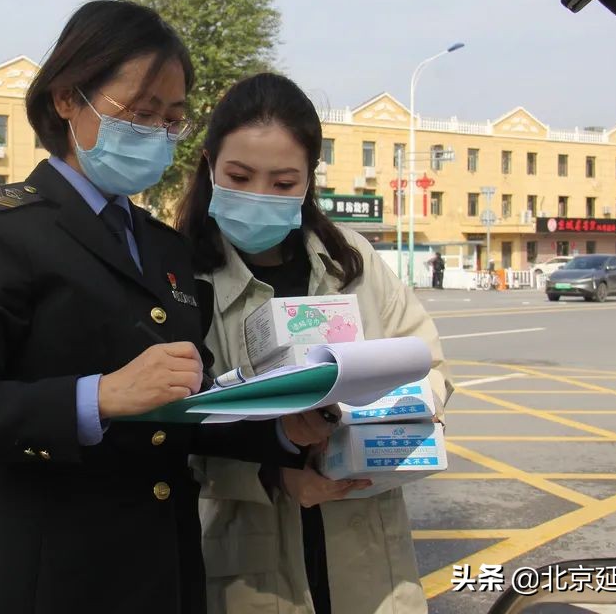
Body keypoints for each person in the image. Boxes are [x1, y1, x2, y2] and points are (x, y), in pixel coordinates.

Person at [0, 1, 330, 614]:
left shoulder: (162, 245)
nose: (157, 133)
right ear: (65, 98)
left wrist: (281, 432)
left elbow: (181, 406)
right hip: (46, 579)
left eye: (173, 118)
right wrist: (99, 395)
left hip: (163, 573)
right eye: (140, 113)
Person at [175, 73, 453, 614]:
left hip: (369, 548)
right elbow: (174, 428)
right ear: (210, 165)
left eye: (282, 183)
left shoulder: (350, 258)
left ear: (308, 179)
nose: (260, 196)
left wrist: (397, 420)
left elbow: (426, 362)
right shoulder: (182, 275)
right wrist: (272, 472)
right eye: (240, 175)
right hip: (252, 566)